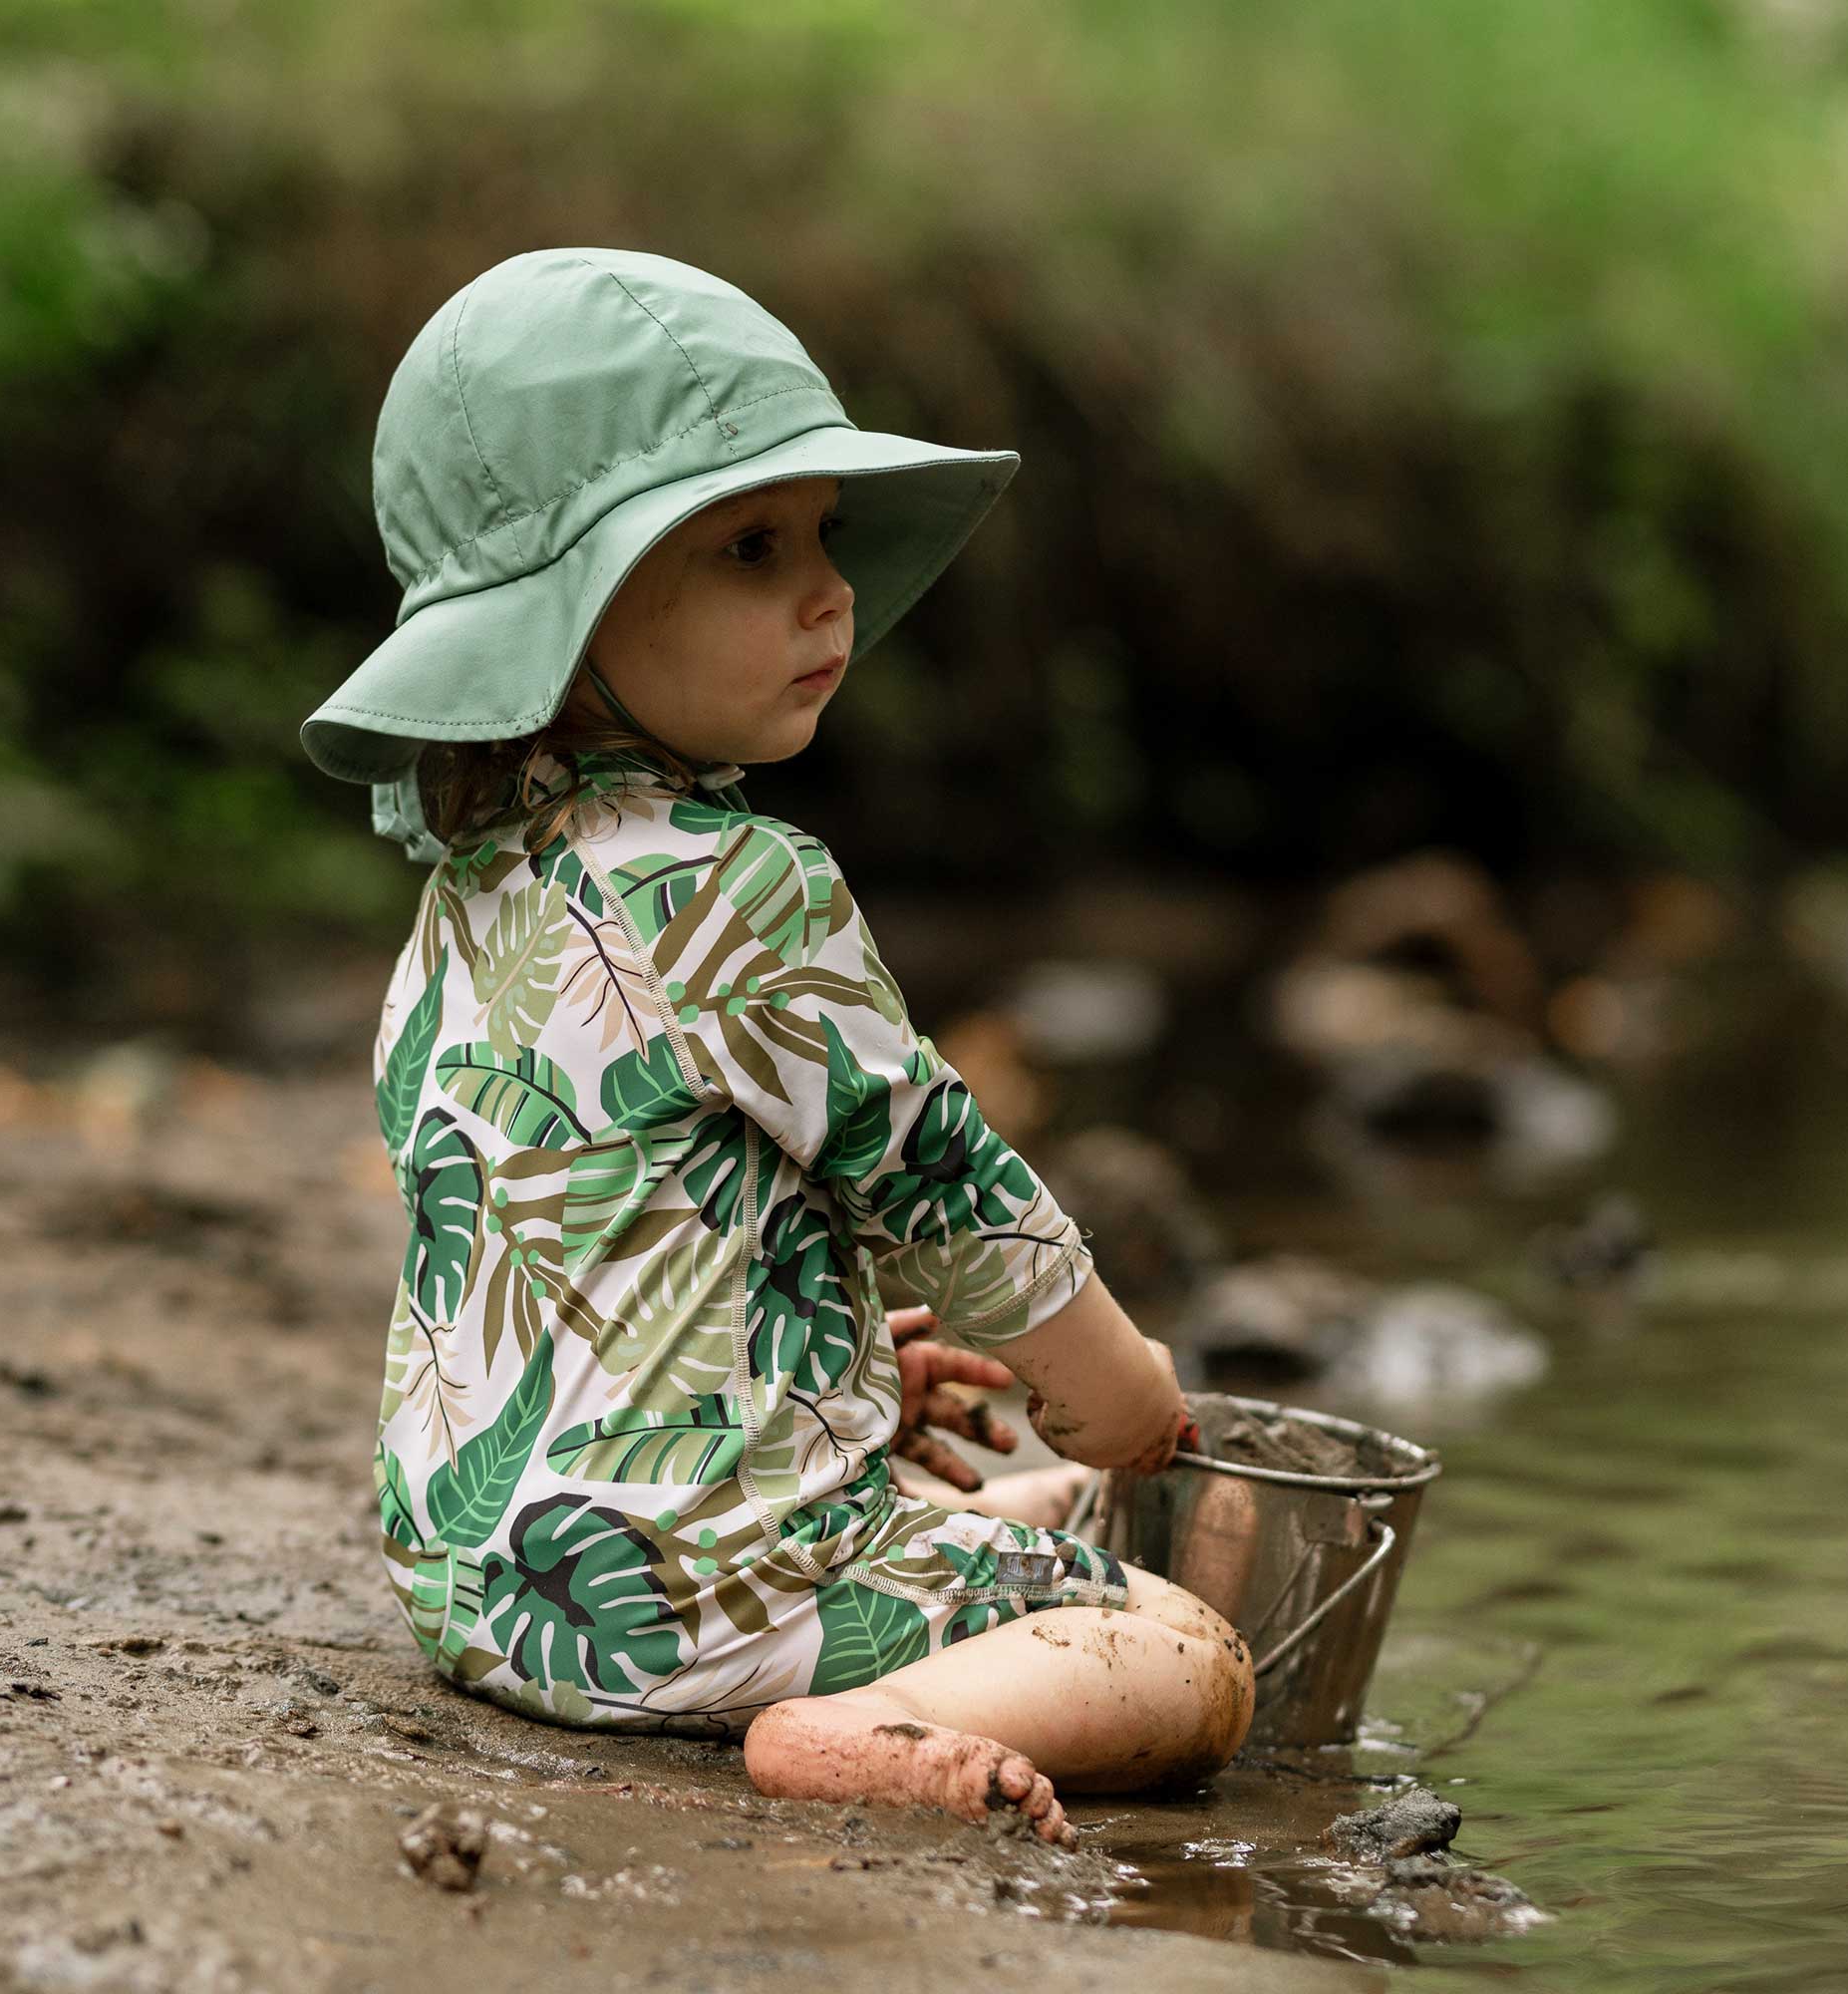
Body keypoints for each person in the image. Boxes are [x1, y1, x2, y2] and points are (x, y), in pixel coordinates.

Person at [300, 249, 1253, 1847]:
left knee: (1030, 1510)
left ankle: (873, 1636)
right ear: (572, 613)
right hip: (691, 1612)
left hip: (499, 1591)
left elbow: (579, 1239)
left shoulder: (469, 896)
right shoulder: (745, 886)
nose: (830, 593)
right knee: (1188, 1640)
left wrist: (843, 1362)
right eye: (752, 547)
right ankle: (851, 1728)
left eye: (822, 537)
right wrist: (1109, 1384)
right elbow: (950, 1183)